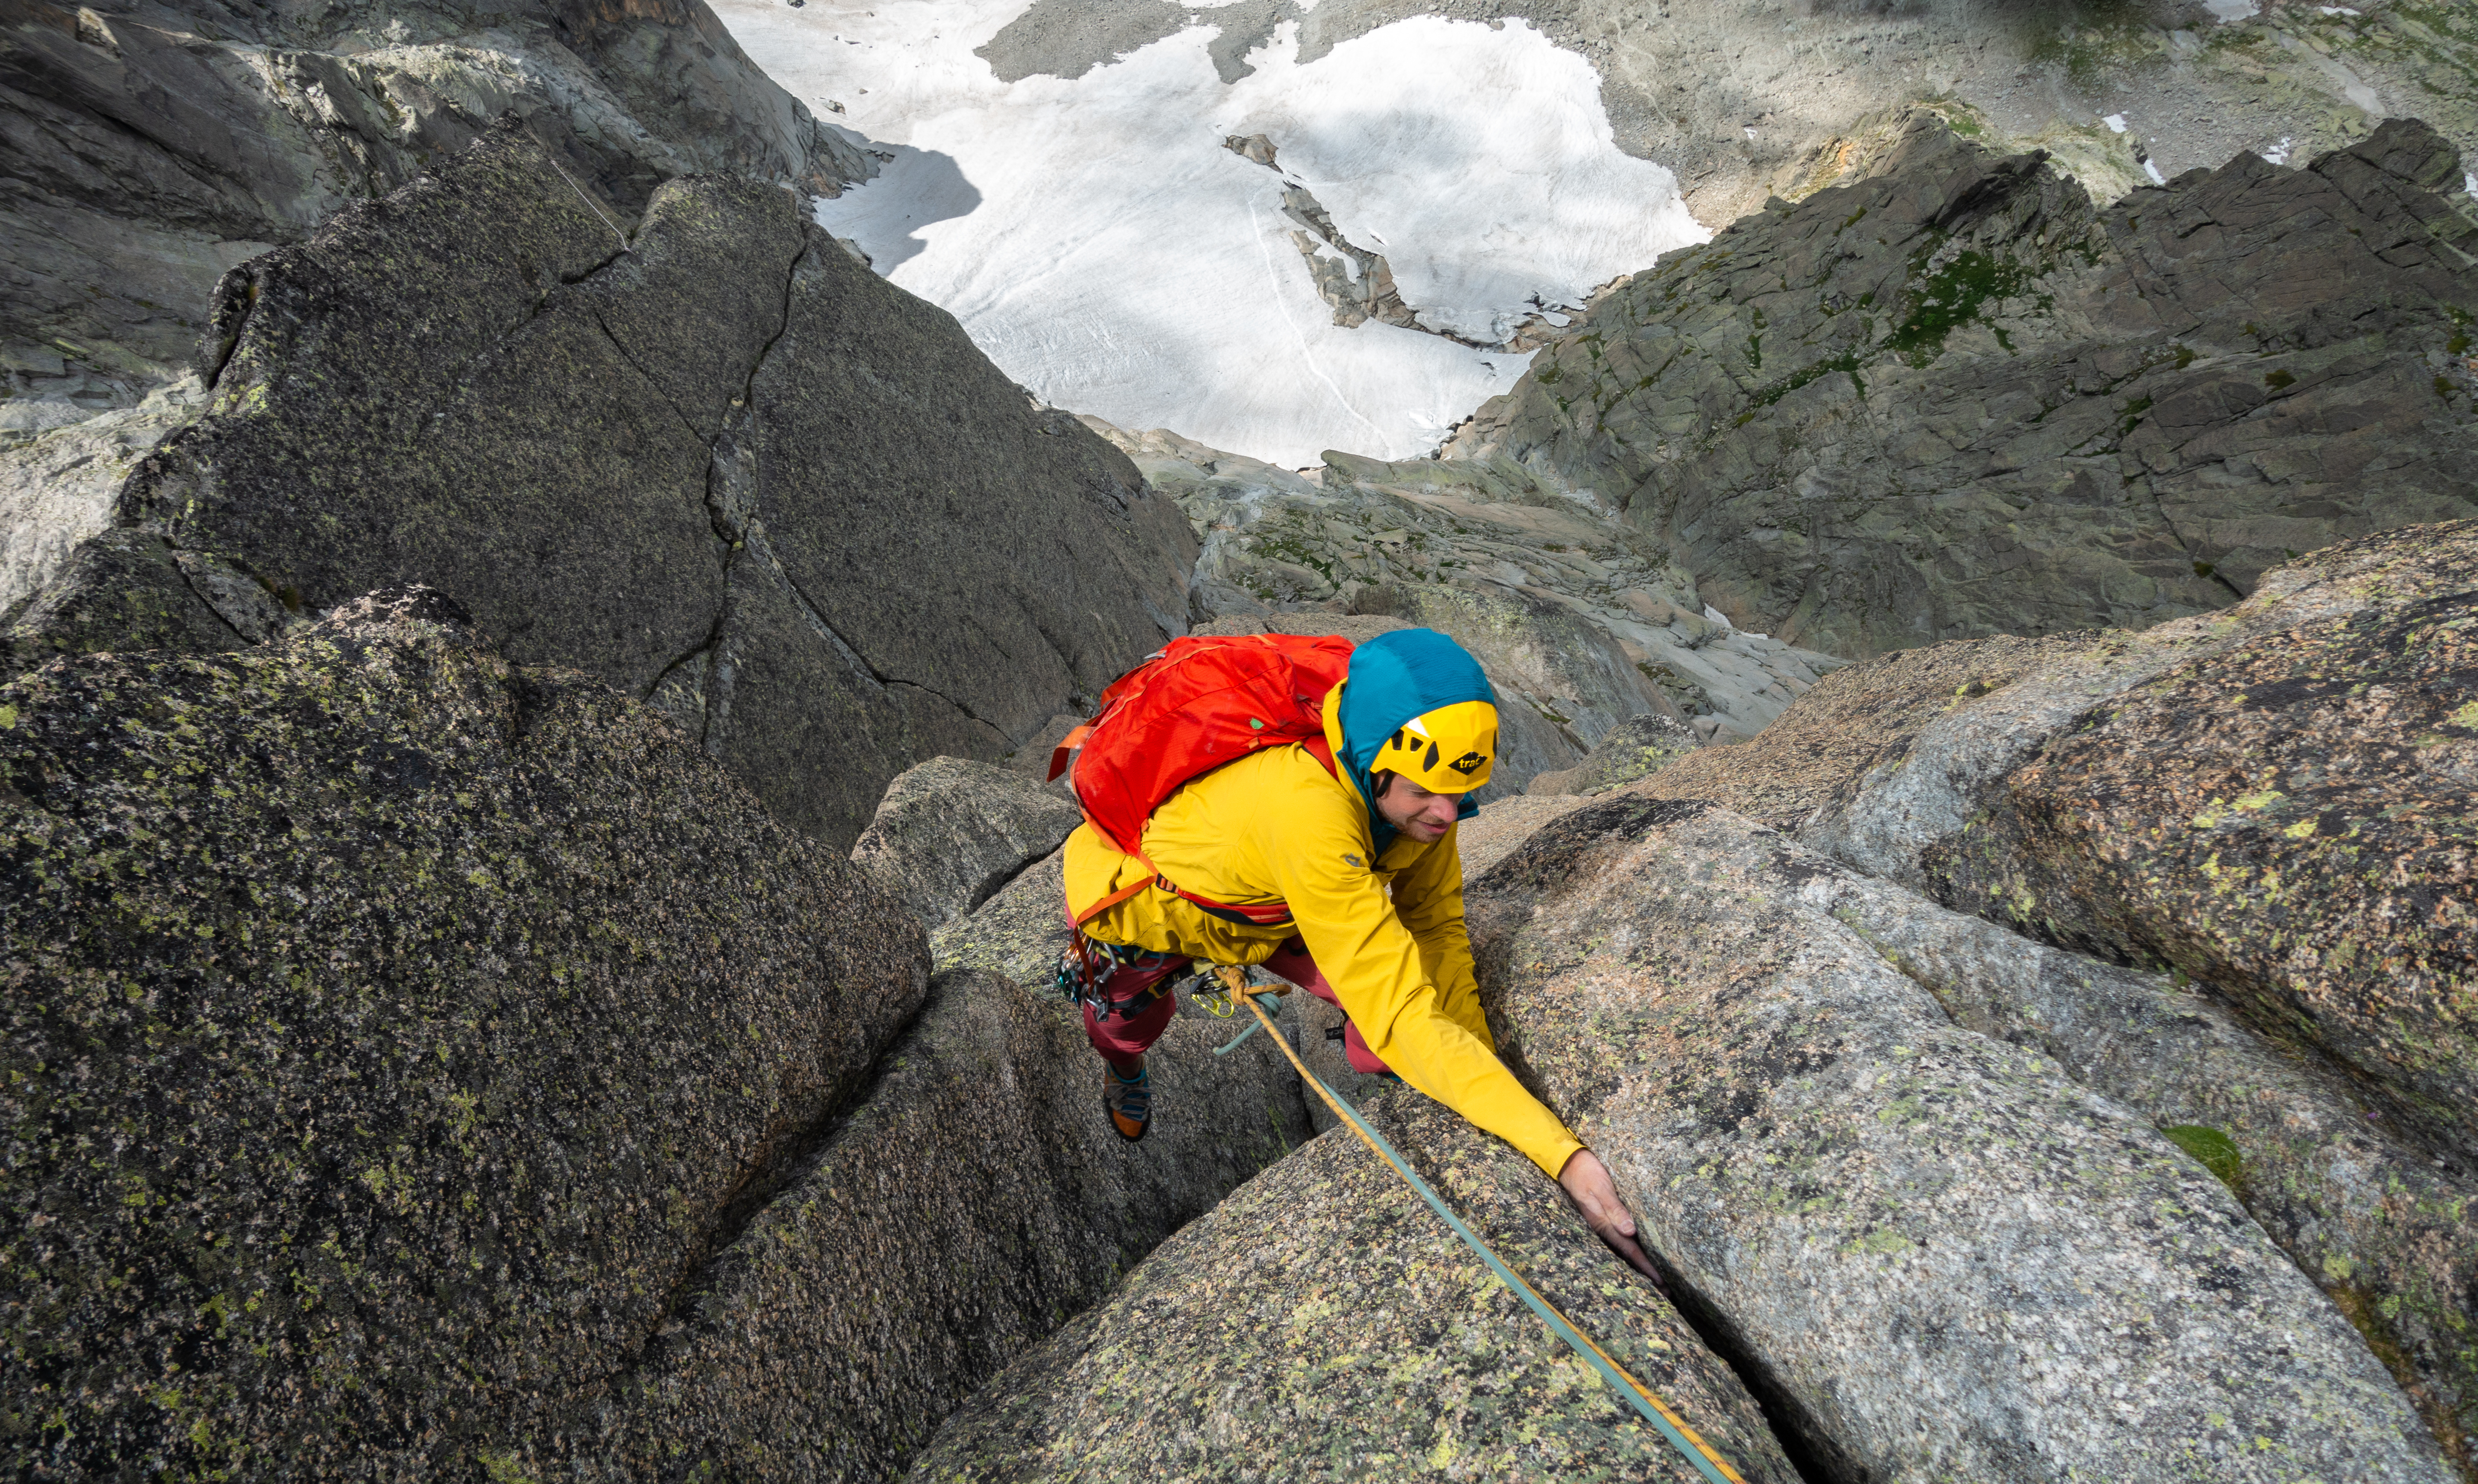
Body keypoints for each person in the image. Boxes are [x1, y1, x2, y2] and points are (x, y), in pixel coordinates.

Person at [1060, 627, 1658, 1279]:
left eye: (1459, 794)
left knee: (1393, 1026)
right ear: (1374, 760)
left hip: (1281, 904)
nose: (1447, 815)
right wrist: (1563, 1157)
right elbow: (1403, 1008)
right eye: (1428, 793)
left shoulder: (1416, 793)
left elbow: (1434, 924)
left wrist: (1487, 1068)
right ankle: (1121, 1066)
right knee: (1129, 1024)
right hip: (1155, 905)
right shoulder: (1306, 811)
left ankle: (1393, 1048)